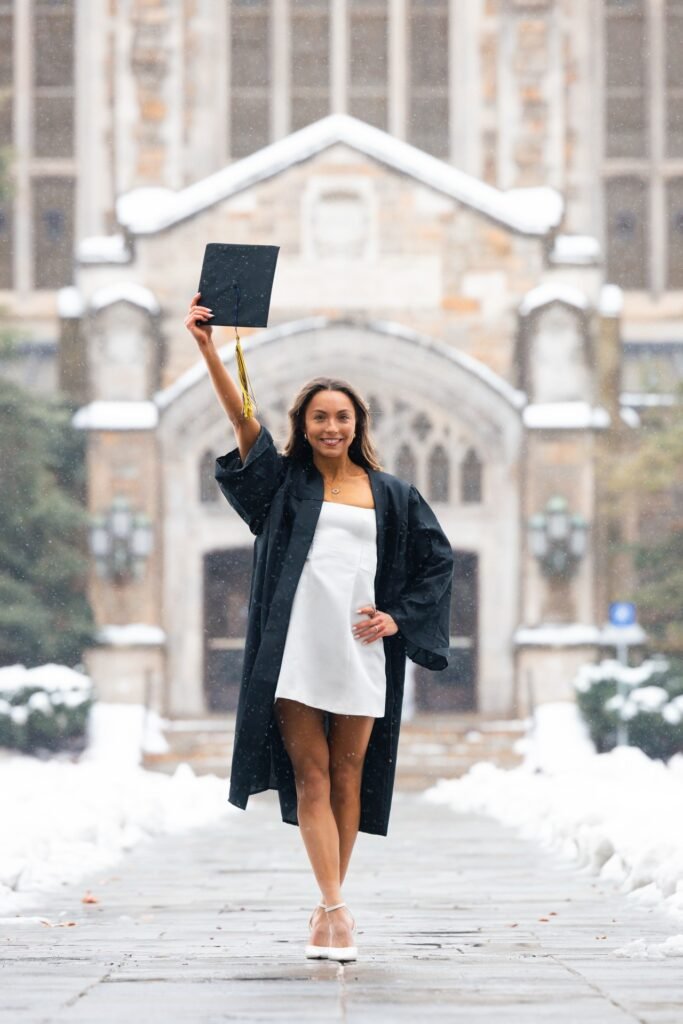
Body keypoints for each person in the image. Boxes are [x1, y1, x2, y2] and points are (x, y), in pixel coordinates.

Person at [185, 293, 454, 962]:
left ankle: (331, 899)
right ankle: (333, 910)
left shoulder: (390, 493)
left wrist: (398, 618)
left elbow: (436, 563)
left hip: (359, 646)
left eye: (340, 417)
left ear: (356, 422)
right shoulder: (284, 486)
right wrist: (207, 350)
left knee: (348, 774)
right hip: (296, 644)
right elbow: (240, 416)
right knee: (308, 774)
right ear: (302, 426)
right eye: (318, 418)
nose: (330, 427)